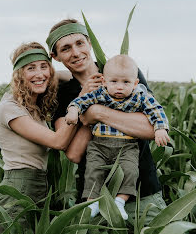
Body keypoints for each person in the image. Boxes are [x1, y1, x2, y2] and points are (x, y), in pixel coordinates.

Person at [46, 18, 168, 225]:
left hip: (142, 193)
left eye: (79, 43)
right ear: (55, 57)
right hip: (94, 198)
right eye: (65, 49)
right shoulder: (64, 93)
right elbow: (74, 153)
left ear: (89, 43)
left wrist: (96, 113)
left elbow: (149, 128)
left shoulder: (123, 71)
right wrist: (84, 102)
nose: (76, 52)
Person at [65, 54, 170, 219]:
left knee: (129, 171)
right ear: (105, 82)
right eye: (114, 82)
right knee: (94, 171)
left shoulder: (139, 96)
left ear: (135, 83)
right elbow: (80, 101)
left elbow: (156, 111)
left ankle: (119, 202)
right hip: (99, 144)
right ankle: (92, 202)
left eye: (126, 82)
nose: (119, 87)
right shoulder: (99, 93)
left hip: (127, 145)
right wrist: (73, 111)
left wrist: (161, 129)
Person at [0, 42, 77, 231]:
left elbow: (71, 75)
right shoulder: (10, 107)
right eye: (31, 68)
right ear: (19, 74)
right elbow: (59, 141)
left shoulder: (33, 105)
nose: (39, 74)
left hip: (40, 188)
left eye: (43, 66)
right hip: (17, 192)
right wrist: (79, 107)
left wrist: (52, 72)